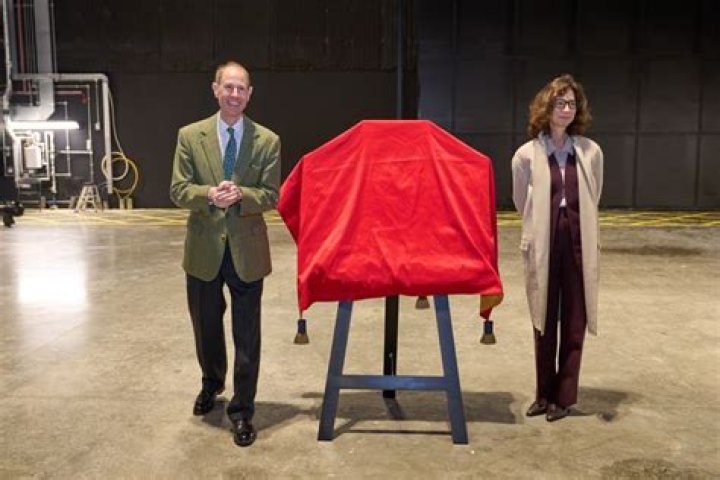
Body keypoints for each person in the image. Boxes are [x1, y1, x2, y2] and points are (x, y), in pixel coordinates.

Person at [170, 61, 280, 446]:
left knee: (247, 335)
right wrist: (208, 195)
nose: (235, 94)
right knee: (206, 327)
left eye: (241, 88)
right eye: (228, 87)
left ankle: (243, 409)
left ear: (250, 94)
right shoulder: (190, 136)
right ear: (215, 89)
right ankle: (211, 382)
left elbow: (271, 194)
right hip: (204, 250)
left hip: (247, 251)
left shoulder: (267, 140)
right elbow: (178, 189)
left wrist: (241, 195)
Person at [511, 74, 603, 422]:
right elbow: (521, 201)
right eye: (559, 103)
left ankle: (563, 398)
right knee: (543, 318)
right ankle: (543, 394)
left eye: (571, 104)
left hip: (579, 241)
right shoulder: (526, 155)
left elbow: (595, 194)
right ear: (546, 107)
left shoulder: (591, 152)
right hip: (544, 241)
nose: (566, 109)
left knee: (575, 319)